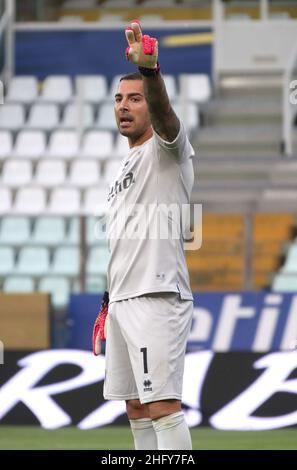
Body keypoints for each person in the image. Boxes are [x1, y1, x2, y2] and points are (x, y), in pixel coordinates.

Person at [93, 20, 195, 450]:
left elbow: (167, 117)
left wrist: (151, 73)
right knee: (135, 405)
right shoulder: (125, 165)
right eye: (119, 99)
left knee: (162, 405)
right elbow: (125, 242)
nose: (124, 106)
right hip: (123, 300)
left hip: (156, 296)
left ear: (149, 105)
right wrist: (107, 299)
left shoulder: (166, 149)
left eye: (134, 99)